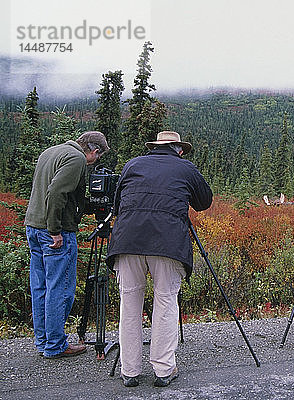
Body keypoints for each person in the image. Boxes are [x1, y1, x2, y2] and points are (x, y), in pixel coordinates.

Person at [107, 131, 212, 388]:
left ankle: (130, 371)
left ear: (154, 148)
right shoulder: (185, 167)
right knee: (165, 300)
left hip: (127, 240)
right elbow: (204, 202)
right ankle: (164, 369)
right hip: (167, 243)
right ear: (179, 149)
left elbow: (117, 202)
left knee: (129, 303)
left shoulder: (133, 164)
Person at [25, 131, 109, 359]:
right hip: (54, 231)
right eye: (97, 157)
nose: (95, 162)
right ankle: (55, 345)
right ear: (94, 151)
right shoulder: (76, 158)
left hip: (33, 227)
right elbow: (56, 192)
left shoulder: (50, 152)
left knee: (41, 287)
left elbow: (49, 190)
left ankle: (44, 341)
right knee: (60, 289)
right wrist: (55, 230)